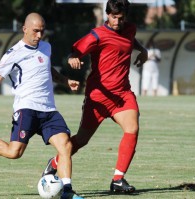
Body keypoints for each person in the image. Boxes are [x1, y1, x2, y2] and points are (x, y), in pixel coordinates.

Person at [0, 13, 84, 199]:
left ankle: (67, 191)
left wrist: (65, 81)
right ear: (25, 29)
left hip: (49, 110)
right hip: (26, 108)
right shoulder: (14, 53)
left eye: (42, 31)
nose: (39, 36)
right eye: (35, 31)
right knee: (14, 152)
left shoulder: (46, 47)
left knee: (65, 147)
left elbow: (47, 69)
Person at [42, 0, 148, 194]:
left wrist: (143, 50)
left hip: (122, 94)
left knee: (132, 128)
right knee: (82, 139)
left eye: (120, 18)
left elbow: (130, 40)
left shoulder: (129, 29)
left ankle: (118, 179)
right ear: (107, 14)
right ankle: (55, 161)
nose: (116, 21)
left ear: (126, 17)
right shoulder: (97, 35)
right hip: (98, 97)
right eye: (113, 17)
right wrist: (73, 57)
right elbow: (76, 50)